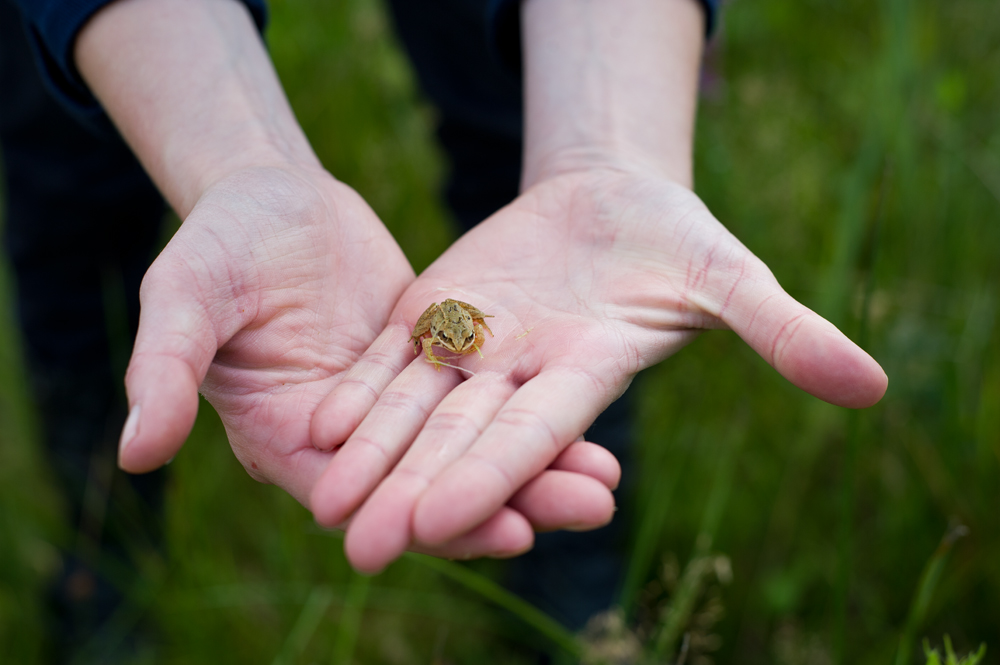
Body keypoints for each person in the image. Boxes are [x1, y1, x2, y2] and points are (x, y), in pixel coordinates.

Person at [2, 0, 887, 653]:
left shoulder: (461, 328)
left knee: (515, 124)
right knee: (80, 191)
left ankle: (568, 570)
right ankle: (104, 551)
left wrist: (607, 153)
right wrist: (237, 159)